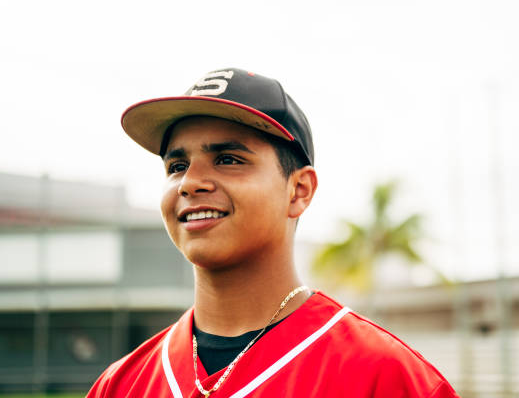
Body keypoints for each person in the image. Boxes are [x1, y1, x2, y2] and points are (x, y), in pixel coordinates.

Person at [87, 68, 460, 398]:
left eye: (228, 159)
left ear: (299, 190)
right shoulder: (119, 385)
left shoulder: (389, 378)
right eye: (177, 164)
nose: (190, 182)